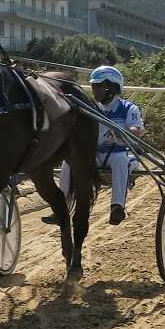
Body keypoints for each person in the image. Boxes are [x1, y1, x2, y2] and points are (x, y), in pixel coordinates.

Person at [42, 65, 145, 226]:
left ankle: (117, 207)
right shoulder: (90, 108)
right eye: (93, 86)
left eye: (99, 86)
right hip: (93, 155)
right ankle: (60, 209)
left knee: (120, 160)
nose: (95, 90)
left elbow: (136, 131)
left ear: (112, 87)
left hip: (120, 154)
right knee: (69, 162)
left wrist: (119, 133)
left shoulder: (128, 108)